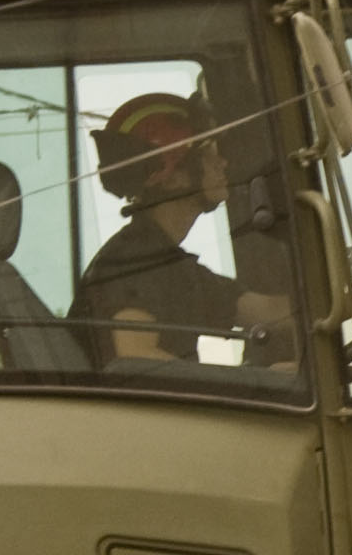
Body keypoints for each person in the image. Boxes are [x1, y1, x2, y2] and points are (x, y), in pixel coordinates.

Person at [71, 92, 292, 364]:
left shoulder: (169, 265)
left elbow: (266, 312)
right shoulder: (133, 262)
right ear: (172, 178)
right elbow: (137, 357)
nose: (222, 163)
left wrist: (339, 296)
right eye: (208, 154)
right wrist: (244, 382)